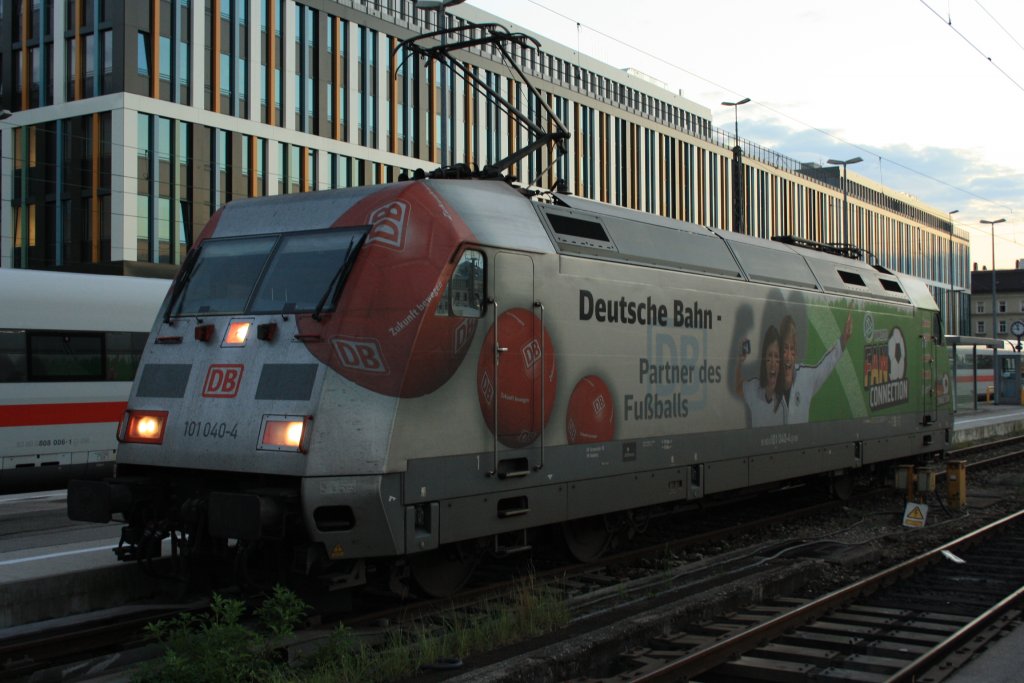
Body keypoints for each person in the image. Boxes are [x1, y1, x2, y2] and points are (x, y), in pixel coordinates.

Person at [779, 310, 852, 424]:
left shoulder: (805, 377)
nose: (788, 357)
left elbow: (826, 364)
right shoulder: (768, 383)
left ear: (796, 352)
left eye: (792, 349)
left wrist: (843, 340)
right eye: (784, 350)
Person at [735, 325, 786, 427]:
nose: (772, 363)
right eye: (769, 356)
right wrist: (739, 363)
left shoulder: (783, 405)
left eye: (776, 357)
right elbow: (738, 388)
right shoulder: (754, 388)